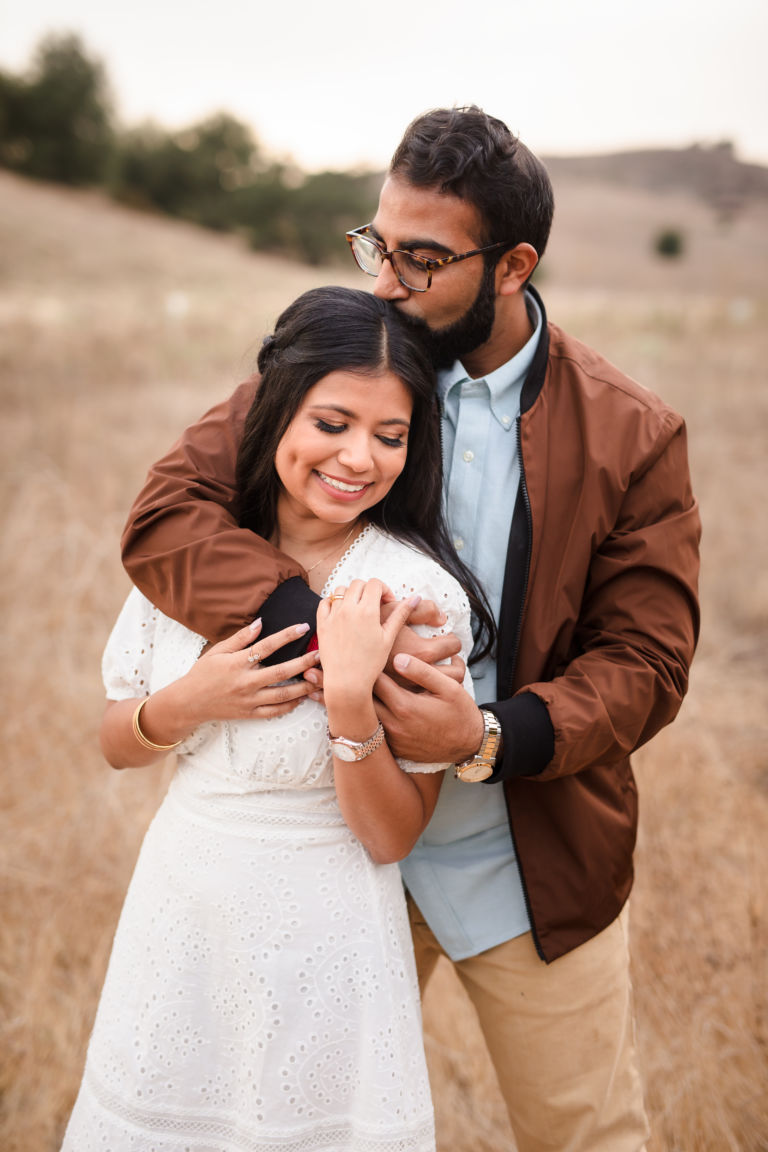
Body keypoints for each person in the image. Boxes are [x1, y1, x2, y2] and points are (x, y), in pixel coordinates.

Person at [121, 108, 702, 1152]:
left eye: (422, 259)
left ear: (514, 264)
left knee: (589, 1135)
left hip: (527, 864)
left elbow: (647, 661)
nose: (386, 280)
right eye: (377, 246)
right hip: (335, 862)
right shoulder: (348, 369)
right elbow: (166, 514)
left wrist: (484, 739)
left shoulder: (636, 433)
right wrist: (328, 634)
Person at [62, 286, 496, 1152]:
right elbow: (116, 742)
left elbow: (391, 838)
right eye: (331, 424)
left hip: (329, 936)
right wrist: (189, 702)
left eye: (390, 435)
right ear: (275, 414)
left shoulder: (413, 597)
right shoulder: (198, 555)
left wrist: (347, 707)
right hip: (184, 915)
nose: (359, 459)